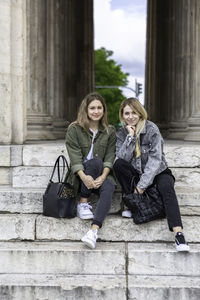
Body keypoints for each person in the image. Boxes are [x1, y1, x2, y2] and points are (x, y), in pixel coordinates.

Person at [113, 97, 190, 252]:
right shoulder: (121, 133)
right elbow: (122, 158)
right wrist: (130, 137)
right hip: (137, 173)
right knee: (119, 165)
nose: (131, 117)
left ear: (140, 113)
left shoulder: (151, 128)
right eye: (127, 113)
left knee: (166, 186)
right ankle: (132, 202)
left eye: (134, 112)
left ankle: (178, 234)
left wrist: (141, 186)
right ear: (122, 115)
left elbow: (155, 160)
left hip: (158, 172)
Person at [65, 92, 116, 249]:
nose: (96, 111)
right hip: (80, 177)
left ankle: (93, 230)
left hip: (99, 175)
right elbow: (74, 158)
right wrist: (84, 176)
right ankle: (83, 202)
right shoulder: (74, 129)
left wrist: (103, 176)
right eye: (92, 108)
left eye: (99, 108)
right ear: (85, 110)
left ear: (103, 110)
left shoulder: (110, 131)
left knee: (109, 186)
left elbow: (110, 156)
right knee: (93, 162)